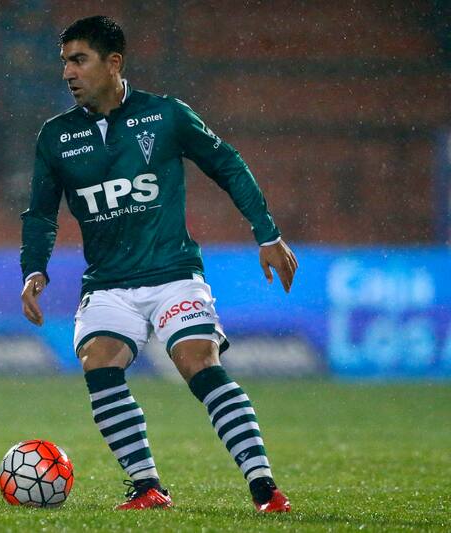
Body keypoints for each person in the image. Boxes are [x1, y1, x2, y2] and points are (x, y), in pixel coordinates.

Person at [19, 15, 297, 512]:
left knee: (196, 361)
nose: (68, 72)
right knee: (98, 361)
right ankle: (147, 487)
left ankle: (264, 488)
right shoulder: (55, 136)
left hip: (172, 275)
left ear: (114, 63)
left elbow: (227, 164)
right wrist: (34, 268)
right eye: (64, 62)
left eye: (79, 60)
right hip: (107, 284)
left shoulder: (165, 116)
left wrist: (267, 233)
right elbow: (40, 212)